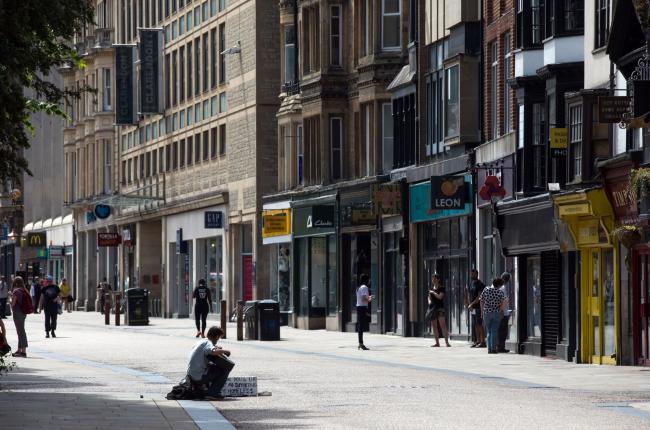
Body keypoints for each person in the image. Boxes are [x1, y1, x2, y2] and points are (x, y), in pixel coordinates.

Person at [186, 326, 233, 399]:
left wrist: (216, 347)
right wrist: (225, 351)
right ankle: (212, 393)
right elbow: (212, 351)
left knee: (212, 365)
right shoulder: (209, 343)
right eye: (219, 338)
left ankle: (206, 388)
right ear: (217, 336)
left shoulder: (201, 341)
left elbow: (208, 350)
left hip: (191, 375)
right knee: (225, 369)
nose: (218, 340)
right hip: (198, 377)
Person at [480, 278, 507, 354]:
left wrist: (482, 312)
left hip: (487, 312)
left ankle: (489, 349)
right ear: (499, 285)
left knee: (489, 331)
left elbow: (481, 300)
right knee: (494, 330)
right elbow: (505, 301)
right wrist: (500, 308)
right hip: (496, 313)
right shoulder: (500, 292)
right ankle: (493, 348)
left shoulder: (486, 289)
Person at [10, 276, 32, 357]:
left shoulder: (16, 291)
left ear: (15, 283)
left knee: (21, 331)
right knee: (21, 330)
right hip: (23, 313)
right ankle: (19, 350)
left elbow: (13, 303)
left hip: (17, 312)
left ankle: (23, 351)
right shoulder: (24, 290)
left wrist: (10, 298)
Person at [428, 273, 451, 347]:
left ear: (438, 280)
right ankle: (437, 342)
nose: (433, 280)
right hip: (433, 308)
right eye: (432, 279)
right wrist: (430, 302)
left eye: (435, 278)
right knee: (434, 326)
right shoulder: (431, 288)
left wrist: (433, 293)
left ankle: (447, 342)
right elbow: (429, 298)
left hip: (440, 308)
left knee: (443, 325)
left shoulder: (441, 288)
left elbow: (440, 297)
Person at [466, 269, 486, 348]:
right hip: (472, 307)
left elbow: (479, 297)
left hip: (478, 307)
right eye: (470, 274)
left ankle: (483, 341)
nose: (471, 275)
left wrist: (471, 304)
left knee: (479, 324)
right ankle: (477, 341)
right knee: (475, 325)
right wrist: (469, 304)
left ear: (476, 274)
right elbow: (468, 294)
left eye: (472, 274)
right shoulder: (470, 283)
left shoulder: (480, 284)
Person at [356, 274, 372, 350]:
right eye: (369, 279)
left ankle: (360, 343)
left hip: (359, 307)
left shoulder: (359, 287)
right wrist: (370, 299)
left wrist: (368, 298)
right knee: (361, 326)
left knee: (361, 326)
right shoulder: (364, 287)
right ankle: (361, 343)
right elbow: (363, 299)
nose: (369, 281)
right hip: (362, 307)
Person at [498, 272, 513, 353]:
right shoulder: (503, 288)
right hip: (503, 313)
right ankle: (501, 347)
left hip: (503, 312)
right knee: (502, 331)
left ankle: (500, 346)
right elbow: (501, 300)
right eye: (508, 279)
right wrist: (501, 312)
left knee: (502, 330)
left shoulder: (501, 287)